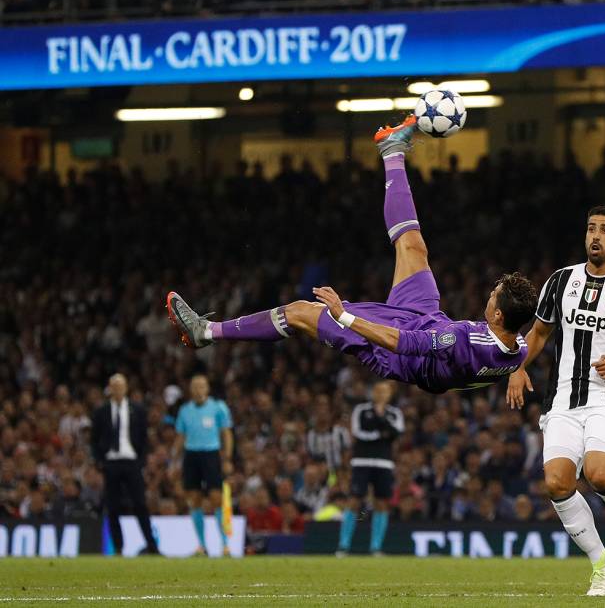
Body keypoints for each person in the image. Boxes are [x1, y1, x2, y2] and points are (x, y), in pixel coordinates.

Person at [166, 115, 538, 394]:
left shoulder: (462, 339)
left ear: (499, 314)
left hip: (395, 351)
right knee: (413, 246)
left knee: (299, 312)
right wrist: (513, 372)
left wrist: (345, 317)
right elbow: (476, 371)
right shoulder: (516, 351)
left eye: (492, 297)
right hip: (426, 318)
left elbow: (399, 343)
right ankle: (392, 150)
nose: (487, 297)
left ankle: (205, 332)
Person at [507, 205, 605, 596]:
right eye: (591, 229)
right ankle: (601, 563)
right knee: (557, 483)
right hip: (561, 400)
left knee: (598, 474)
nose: (596, 236)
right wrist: (517, 366)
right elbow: (540, 333)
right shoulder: (561, 280)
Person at [90, 373, 159, 556]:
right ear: (110, 388)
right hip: (111, 462)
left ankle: (151, 545)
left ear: (126, 388)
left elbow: (144, 439)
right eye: (115, 386)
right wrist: (99, 461)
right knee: (113, 506)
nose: (118, 389)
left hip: (132, 462)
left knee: (140, 504)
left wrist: (141, 461)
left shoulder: (138, 410)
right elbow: (94, 440)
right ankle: (119, 547)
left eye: (121, 386)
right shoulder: (101, 411)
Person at [337, 381, 404, 556]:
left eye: (385, 392)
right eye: (378, 391)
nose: (381, 394)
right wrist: (381, 433)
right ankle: (344, 545)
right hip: (361, 461)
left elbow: (397, 433)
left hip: (384, 462)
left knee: (381, 503)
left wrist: (381, 420)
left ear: (389, 394)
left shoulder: (395, 413)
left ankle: (375, 547)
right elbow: (358, 432)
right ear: (372, 392)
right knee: (354, 501)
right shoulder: (361, 410)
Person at [173, 375, 234, 557]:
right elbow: (180, 437)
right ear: (191, 390)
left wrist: (228, 456)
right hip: (191, 455)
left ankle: (225, 544)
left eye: (202, 386)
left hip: (211, 454)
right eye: (195, 386)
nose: (199, 390)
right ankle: (202, 545)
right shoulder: (185, 410)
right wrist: (173, 460)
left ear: (207, 389)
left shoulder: (218, 407)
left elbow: (226, 433)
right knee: (194, 499)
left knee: (216, 498)